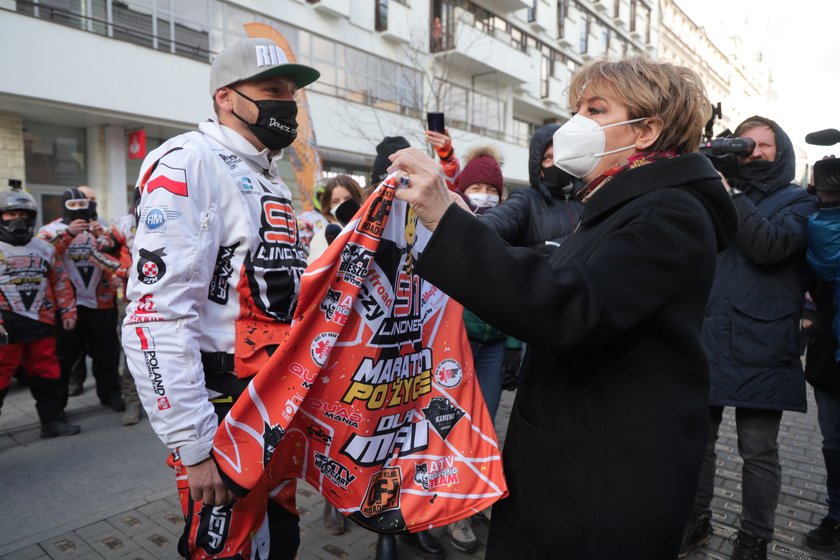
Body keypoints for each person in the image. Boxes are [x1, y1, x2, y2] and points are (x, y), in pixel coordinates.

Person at [388, 56, 739, 559]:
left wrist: (447, 218)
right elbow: (557, 271)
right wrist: (459, 224)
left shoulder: (667, 210)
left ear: (647, 130)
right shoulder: (623, 202)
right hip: (582, 452)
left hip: (604, 473)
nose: (574, 125)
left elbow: (569, 304)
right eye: (576, 109)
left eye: (595, 109)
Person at [122, 37, 319, 559]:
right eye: (271, 89)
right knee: (227, 549)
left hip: (270, 400)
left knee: (280, 539)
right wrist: (192, 444)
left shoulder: (268, 175)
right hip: (222, 404)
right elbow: (155, 315)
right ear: (226, 98)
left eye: (292, 93)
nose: (286, 102)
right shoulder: (191, 161)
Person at [680, 116, 816, 560]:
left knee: (758, 451)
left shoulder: (798, 200)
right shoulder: (712, 189)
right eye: (746, 145)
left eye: (765, 146)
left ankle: (754, 538)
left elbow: (769, 246)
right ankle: (695, 522)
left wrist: (730, 194)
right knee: (698, 443)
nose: (754, 153)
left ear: (783, 152)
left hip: (764, 338)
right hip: (709, 332)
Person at [444, 145, 522, 554]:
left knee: (484, 428)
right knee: (453, 428)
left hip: (494, 347)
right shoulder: (451, 224)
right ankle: (455, 513)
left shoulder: (509, 226)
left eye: (491, 187)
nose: (484, 193)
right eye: (475, 185)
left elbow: (515, 288)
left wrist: (513, 345)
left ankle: (478, 498)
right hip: (457, 347)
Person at [0, 186, 80, 438]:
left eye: (23, 214)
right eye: (11, 214)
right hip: (5, 324)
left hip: (41, 320)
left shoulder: (45, 247)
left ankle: (52, 421)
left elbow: (60, 280)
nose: (18, 219)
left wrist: (68, 311)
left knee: (47, 373)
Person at [38, 186, 125, 414]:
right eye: (73, 205)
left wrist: (101, 238)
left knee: (107, 352)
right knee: (65, 357)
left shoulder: (103, 228)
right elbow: (40, 257)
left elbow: (118, 256)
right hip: (68, 305)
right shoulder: (49, 230)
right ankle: (57, 408)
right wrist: (68, 234)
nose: (79, 209)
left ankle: (110, 394)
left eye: (83, 204)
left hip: (102, 302)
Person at [799, 157, 840, 551]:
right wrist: (830, 205)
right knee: (833, 444)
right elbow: (825, 265)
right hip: (833, 353)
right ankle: (836, 516)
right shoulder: (823, 218)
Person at [479, 123, 583, 251]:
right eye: (548, 157)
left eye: (560, 154)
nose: (556, 162)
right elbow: (497, 220)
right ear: (538, 167)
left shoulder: (587, 197)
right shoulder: (527, 199)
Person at [89, 212, 143, 426]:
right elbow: (96, 253)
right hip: (131, 301)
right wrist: (124, 270)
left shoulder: (180, 214)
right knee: (131, 352)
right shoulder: (124, 223)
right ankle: (132, 402)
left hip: (172, 299)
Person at [306, 175, 363, 264]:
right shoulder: (322, 236)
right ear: (328, 206)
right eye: (335, 201)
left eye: (347, 199)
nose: (342, 204)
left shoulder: (372, 228)